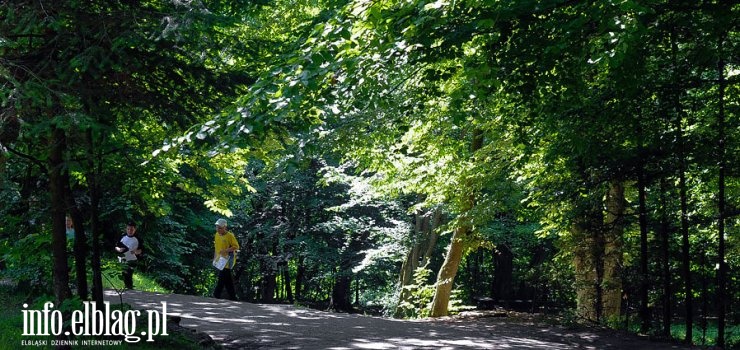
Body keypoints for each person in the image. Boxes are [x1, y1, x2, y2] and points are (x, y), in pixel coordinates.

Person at [213, 218, 239, 300]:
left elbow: (236, 247)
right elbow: (216, 247)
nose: (218, 229)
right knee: (227, 279)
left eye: (220, 228)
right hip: (220, 259)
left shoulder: (230, 236)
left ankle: (216, 295)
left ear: (225, 227)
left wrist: (225, 251)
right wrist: (214, 258)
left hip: (228, 259)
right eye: (217, 227)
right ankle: (233, 297)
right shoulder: (216, 235)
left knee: (222, 277)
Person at [115, 221, 142, 289]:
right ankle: (127, 288)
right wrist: (119, 249)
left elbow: (141, 250)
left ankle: (129, 288)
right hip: (123, 259)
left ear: (134, 230)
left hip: (132, 260)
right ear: (126, 229)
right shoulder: (122, 237)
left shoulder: (138, 239)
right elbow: (116, 246)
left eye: (132, 229)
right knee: (124, 274)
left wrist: (136, 251)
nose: (130, 231)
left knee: (129, 273)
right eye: (128, 229)